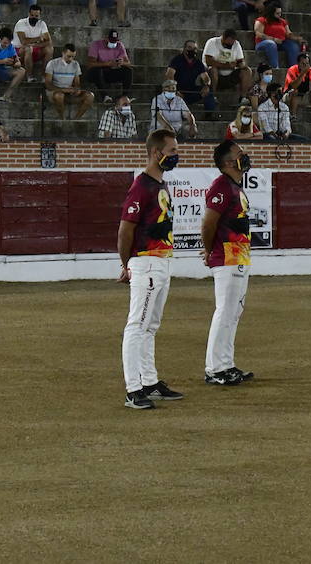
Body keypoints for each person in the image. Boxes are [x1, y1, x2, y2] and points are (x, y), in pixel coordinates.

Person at [118, 129, 183, 410]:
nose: (176, 156)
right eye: (172, 151)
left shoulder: (157, 184)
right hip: (145, 262)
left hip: (160, 261)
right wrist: (127, 263)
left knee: (150, 326)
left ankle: (149, 381)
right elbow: (125, 230)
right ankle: (134, 389)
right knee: (138, 325)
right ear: (157, 153)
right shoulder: (142, 186)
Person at [201, 140, 256, 387]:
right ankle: (215, 368)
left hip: (238, 255)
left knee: (233, 312)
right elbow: (209, 223)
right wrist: (209, 249)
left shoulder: (234, 186)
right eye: (238, 154)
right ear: (227, 162)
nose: (244, 156)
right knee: (225, 311)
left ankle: (226, 363)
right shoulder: (222, 186)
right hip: (227, 256)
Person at [166, 41, 218, 117]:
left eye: (194, 48)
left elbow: (206, 77)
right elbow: (169, 75)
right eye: (189, 47)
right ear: (184, 49)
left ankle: (209, 115)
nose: (192, 50)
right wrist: (175, 90)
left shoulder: (198, 63)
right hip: (178, 90)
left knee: (208, 92)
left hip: (191, 89)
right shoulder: (176, 60)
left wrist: (206, 86)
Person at [42, 43, 94, 119]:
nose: (70, 59)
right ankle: (62, 119)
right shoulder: (52, 63)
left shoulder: (75, 64)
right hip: (55, 92)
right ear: (63, 53)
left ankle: (76, 119)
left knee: (90, 96)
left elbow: (77, 83)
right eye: (68, 56)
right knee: (59, 96)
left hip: (69, 92)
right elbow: (48, 84)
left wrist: (76, 90)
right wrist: (63, 90)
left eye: (73, 57)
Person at [203, 29, 252, 103]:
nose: (229, 46)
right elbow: (208, 61)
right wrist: (227, 65)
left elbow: (240, 60)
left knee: (247, 71)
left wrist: (241, 65)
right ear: (223, 38)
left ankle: (243, 98)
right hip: (215, 75)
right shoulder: (212, 42)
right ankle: (212, 96)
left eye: (231, 44)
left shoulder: (236, 44)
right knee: (213, 69)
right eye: (227, 44)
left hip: (231, 75)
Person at [253, 1, 304, 71]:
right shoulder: (262, 20)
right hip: (264, 43)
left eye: (280, 13)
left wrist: (297, 38)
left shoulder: (282, 21)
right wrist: (273, 39)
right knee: (271, 44)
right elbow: (258, 33)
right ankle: (275, 68)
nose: (279, 15)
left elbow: (288, 34)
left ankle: (294, 70)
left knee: (293, 46)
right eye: (277, 13)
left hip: (281, 42)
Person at [11, 3, 52, 86]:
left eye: (36, 16)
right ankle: (29, 76)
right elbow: (23, 42)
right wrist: (38, 38)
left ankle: (44, 76)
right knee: (27, 48)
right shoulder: (21, 23)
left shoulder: (42, 24)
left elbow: (48, 41)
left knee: (49, 49)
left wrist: (34, 45)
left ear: (39, 16)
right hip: (18, 51)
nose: (34, 17)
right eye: (32, 15)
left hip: (34, 49)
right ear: (28, 14)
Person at [283, 52, 311, 123]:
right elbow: (293, 86)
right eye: (303, 63)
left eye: (307, 64)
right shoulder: (292, 70)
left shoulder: (310, 70)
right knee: (295, 92)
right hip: (289, 95)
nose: (305, 66)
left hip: (303, 95)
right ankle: (293, 116)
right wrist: (303, 73)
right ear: (298, 63)